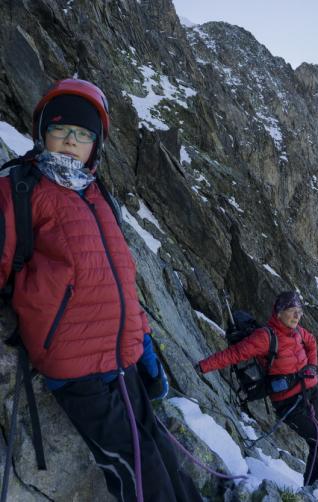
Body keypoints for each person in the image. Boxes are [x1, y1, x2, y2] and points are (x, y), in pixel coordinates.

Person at [0, 79, 201, 501]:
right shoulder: (20, 188)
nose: (72, 141)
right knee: (138, 468)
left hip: (123, 357)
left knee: (164, 456)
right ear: (42, 134)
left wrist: (142, 340)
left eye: (84, 134)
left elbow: (121, 277)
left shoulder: (97, 195)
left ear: (97, 145)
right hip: (75, 366)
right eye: (61, 130)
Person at [197, 291, 318, 485]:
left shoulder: (297, 331)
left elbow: (312, 342)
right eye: (292, 311)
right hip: (290, 403)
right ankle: (313, 491)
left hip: (312, 394)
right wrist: (203, 366)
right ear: (279, 312)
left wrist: (312, 366)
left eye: (299, 311)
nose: (297, 316)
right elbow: (233, 354)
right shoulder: (265, 337)